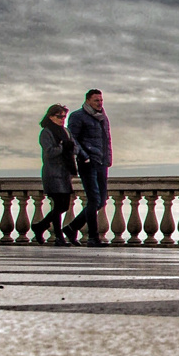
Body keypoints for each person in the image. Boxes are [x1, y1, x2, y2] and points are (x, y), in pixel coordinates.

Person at [64, 88, 112, 246]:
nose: (100, 103)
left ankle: (72, 228)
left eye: (101, 100)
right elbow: (73, 139)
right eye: (96, 100)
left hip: (101, 162)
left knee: (101, 200)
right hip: (88, 163)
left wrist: (108, 159)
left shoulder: (103, 117)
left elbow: (107, 140)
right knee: (93, 199)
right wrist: (84, 157)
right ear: (88, 101)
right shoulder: (78, 116)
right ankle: (93, 237)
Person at [29, 104, 78, 245]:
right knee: (58, 205)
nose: (62, 119)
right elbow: (49, 152)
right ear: (50, 117)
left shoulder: (66, 131)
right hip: (53, 173)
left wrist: (70, 148)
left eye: (64, 116)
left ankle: (41, 226)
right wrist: (63, 147)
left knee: (63, 206)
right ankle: (59, 236)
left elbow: (75, 148)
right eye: (59, 116)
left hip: (65, 173)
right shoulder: (46, 132)